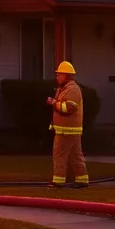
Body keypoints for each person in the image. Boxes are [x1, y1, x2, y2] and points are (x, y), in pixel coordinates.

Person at [47, 61, 88, 189]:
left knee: (59, 154)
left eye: (59, 74)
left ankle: (58, 181)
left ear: (66, 75)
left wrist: (54, 103)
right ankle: (82, 180)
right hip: (69, 130)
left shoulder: (72, 89)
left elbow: (69, 108)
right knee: (75, 156)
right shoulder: (65, 89)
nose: (57, 77)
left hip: (67, 130)